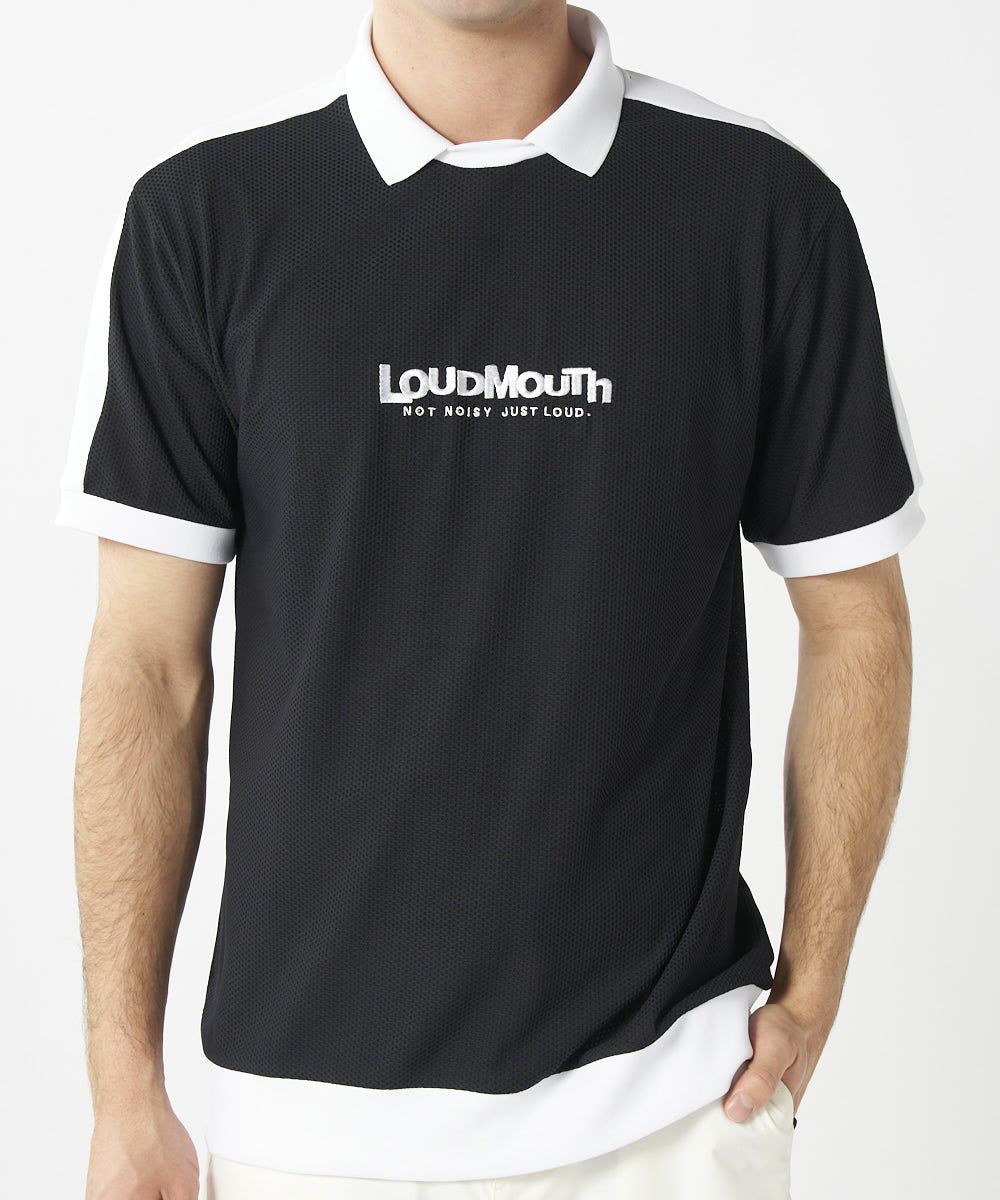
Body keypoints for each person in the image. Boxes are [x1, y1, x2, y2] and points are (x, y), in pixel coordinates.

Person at [56, 3, 924, 1198]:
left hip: (669, 1108)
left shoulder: (758, 206)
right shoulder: (207, 213)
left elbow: (855, 617)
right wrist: (123, 1090)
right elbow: (148, 668)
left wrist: (811, 994)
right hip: (311, 1131)